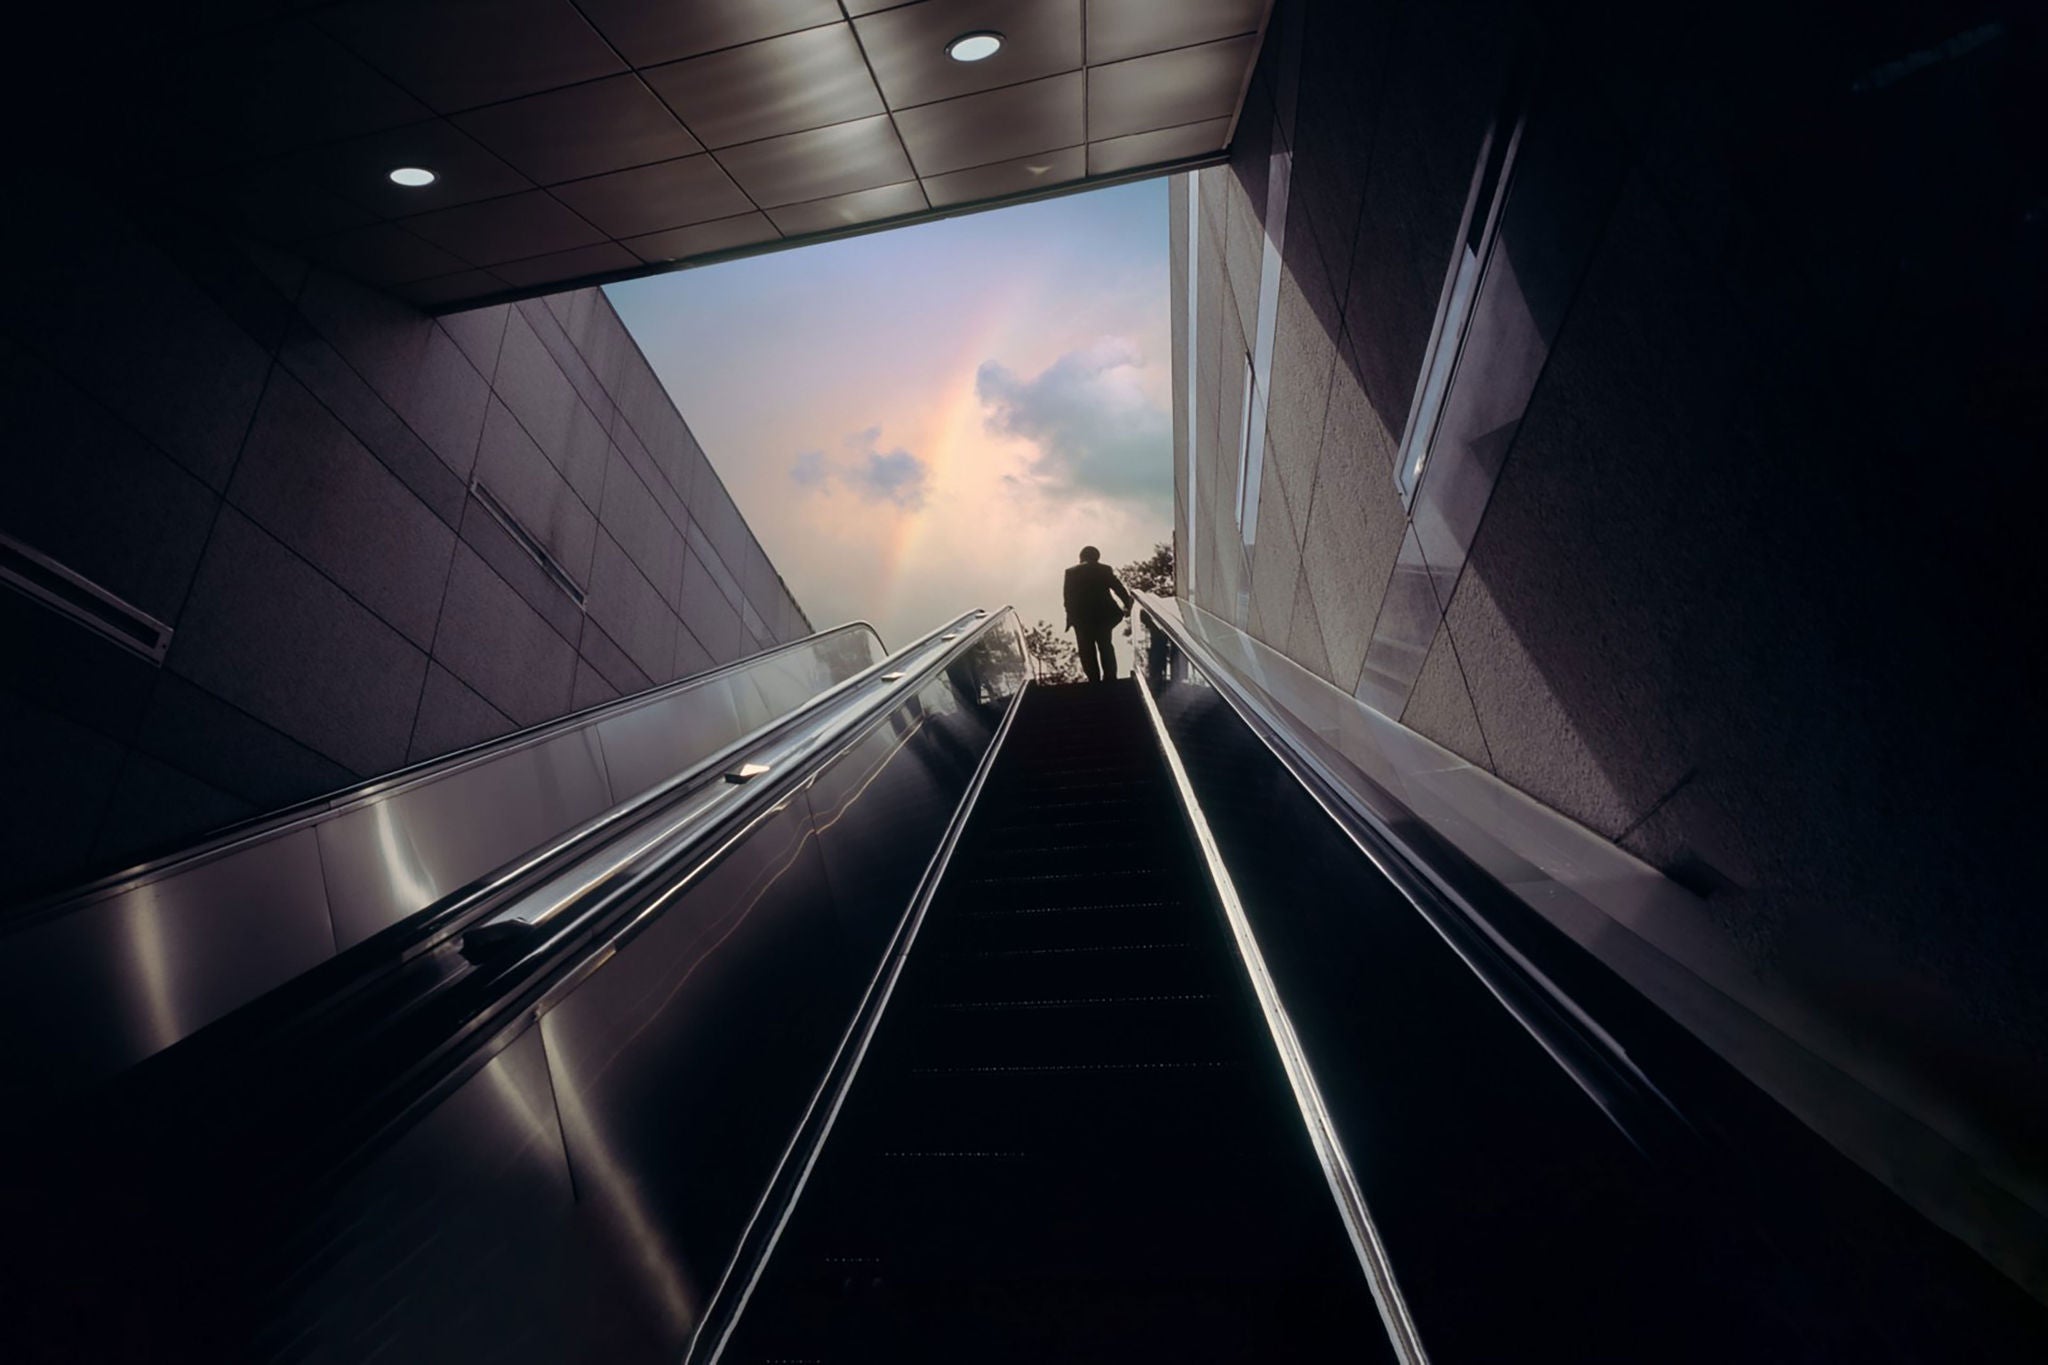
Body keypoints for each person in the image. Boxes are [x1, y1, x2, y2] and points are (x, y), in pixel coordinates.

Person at [1063, 546, 1134, 683]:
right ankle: (1110, 678)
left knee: (1086, 649)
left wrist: (1070, 618)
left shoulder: (1071, 572)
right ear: (1097, 557)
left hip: (1082, 618)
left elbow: (1068, 598)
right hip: (1104, 616)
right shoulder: (1104, 569)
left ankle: (1093, 680)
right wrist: (1129, 605)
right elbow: (1118, 588)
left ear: (1081, 557)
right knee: (1105, 645)